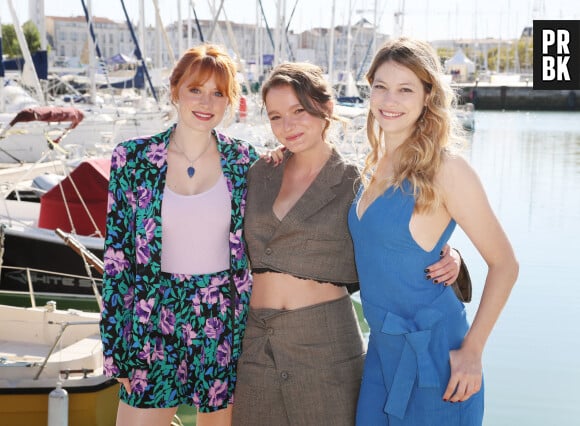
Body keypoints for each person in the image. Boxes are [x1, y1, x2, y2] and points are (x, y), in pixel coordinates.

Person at [232, 62, 466, 426]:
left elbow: (400, 241)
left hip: (326, 343)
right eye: (276, 116)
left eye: (299, 111)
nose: (288, 126)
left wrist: (453, 256)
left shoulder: (358, 182)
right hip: (257, 340)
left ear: (325, 109)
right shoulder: (259, 172)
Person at [348, 37, 519, 425]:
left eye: (405, 89)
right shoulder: (373, 165)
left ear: (428, 96)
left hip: (439, 361)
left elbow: (505, 264)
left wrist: (473, 350)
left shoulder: (447, 169)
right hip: (381, 352)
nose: (390, 100)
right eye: (381, 87)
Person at [99, 44, 258, 426]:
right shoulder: (132, 159)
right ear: (175, 91)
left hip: (223, 323)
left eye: (218, 93)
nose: (206, 102)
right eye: (195, 89)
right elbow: (117, 258)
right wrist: (115, 346)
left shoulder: (245, 162)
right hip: (153, 321)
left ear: (230, 101)